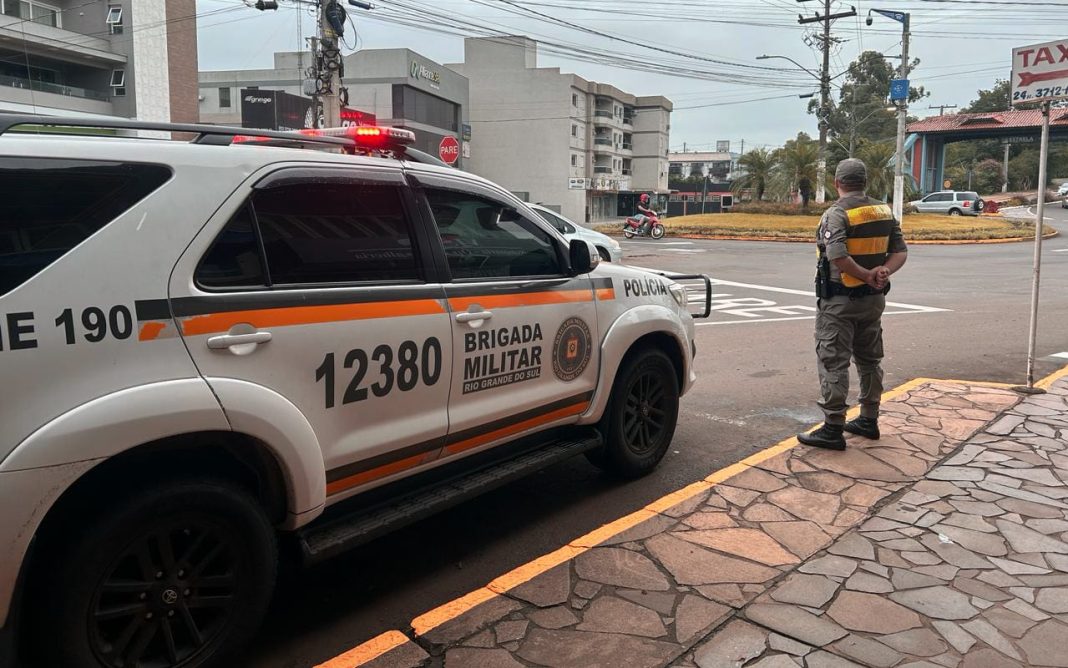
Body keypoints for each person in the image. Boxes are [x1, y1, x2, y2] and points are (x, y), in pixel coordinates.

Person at [797, 158, 908, 451]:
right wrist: (882, 272)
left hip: (839, 301)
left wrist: (865, 275)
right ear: (865, 182)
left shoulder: (836, 214)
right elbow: (900, 252)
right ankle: (868, 420)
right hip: (873, 301)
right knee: (870, 361)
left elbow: (837, 256)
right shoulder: (883, 211)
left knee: (833, 360)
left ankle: (833, 428)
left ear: (837, 183)